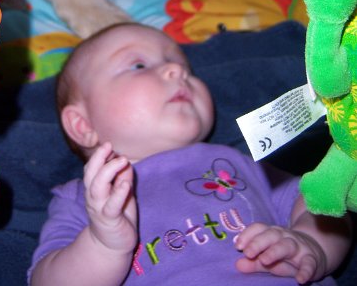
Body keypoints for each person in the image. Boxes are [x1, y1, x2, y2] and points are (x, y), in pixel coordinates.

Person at [29, 23, 352, 286]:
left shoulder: (234, 162)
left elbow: (324, 201)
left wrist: (311, 244)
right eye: (139, 65)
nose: (176, 70)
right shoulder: (84, 199)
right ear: (83, 125)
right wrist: (103, 244)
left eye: (184, 66)